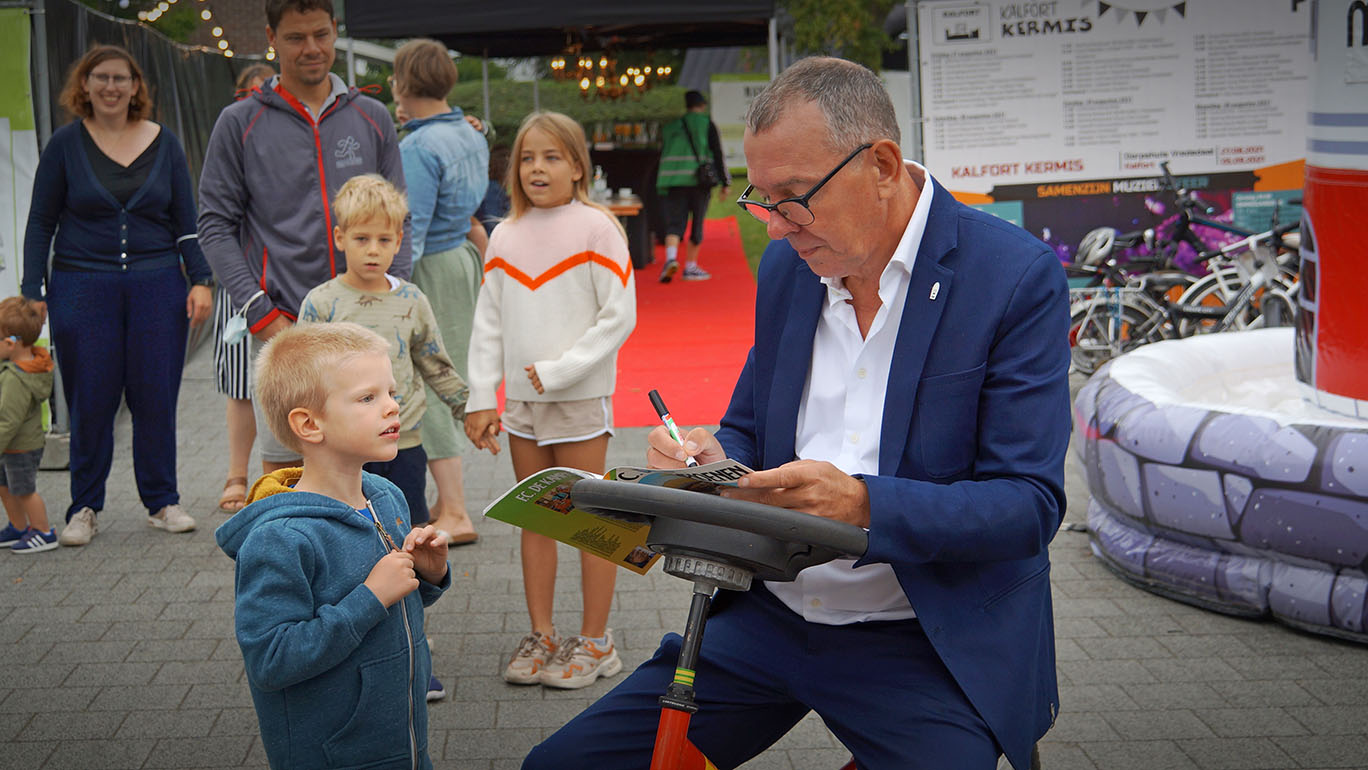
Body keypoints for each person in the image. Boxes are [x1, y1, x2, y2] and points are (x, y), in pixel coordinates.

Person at [524, 57, 1070, 770]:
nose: (776, 229)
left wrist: (863, 505)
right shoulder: (792, 266)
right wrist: (714, 460)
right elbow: (752, 426)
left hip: (920, 636)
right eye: (762, 198)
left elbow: (1028, 505)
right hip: (769, 613)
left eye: (793, 198)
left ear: (881, 165)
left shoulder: (1011, 276)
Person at [214, 322, 450, 769]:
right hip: (333, 756)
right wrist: (370, 597)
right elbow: (271, 659)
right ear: (309, 424)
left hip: (406, 741)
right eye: (367, 398)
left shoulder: (386, 496)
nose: (392, 406)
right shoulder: (280, 539)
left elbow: (400, 602)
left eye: (390, 392)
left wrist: (429, 573)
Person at [198, 0, 410, 476]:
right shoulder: (239, 122)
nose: (311, 48)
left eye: (320, 34)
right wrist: (261, 314)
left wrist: (390, 298)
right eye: (295, 38)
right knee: (289, 474)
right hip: (284, 327)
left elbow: (401, 218)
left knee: (372, 471)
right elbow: (214, 225)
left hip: (362, 330)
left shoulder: (372, 117)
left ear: (335, 29)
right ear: (271, 38)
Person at [465, 112, 636, 690]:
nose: (537, 168)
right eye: (527, 158)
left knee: (589, 521)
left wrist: (562, 371)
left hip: (580, 399)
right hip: (521, 406)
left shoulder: (598, 228)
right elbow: (488, 323)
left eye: (552, 157)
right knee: (536, 518)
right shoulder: (504, 234)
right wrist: (481, 397)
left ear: (579, 166)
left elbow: (619, 316)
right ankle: (542, 635)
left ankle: (596, 641)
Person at [23, 44, 214, 547]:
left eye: (121, 78)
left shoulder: (165, 143)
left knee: (155, 396)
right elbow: (41, 221)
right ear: (84, 85)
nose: (111, 87)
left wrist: (201, 279)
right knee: (91, 398)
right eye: (101, 77)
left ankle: (163, 502)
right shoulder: (65, 145)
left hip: (157, 288)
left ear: (136, 87)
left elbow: (185, 221)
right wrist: (31, 288)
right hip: (82, 287)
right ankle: (84, 507)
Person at [299, 174, 468, 529]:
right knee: (346, 531)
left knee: (407, 530)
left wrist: (470, 410)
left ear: (399, 241)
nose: (373, 249)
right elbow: (302, 376)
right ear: (340, 238)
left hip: (402, 441)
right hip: (342, 447)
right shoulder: (321, 303)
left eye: (384, 239)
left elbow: (435, 363)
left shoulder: (412, 300)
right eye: (362, 238)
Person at [391, 38, 489, 546]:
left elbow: (413, 228)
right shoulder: (470, 131)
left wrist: (394, 288)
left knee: (430, 382)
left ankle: (454, 509)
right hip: (461, 260)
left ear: (404, 83)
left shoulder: (418, 148)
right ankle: (447, 501)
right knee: (450, 372)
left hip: (428, 267)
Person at [212, 62, 276, 515]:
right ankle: (237, 473)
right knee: (240, 384)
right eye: (249, 93)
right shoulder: (230, 135)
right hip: (239, 283)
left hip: (285, 283)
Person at [654, 89, 730, 283]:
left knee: (674, 223)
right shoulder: (706, 124)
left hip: (674, 181)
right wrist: (724, 182)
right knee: (697, 223)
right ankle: (690, 267)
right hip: (699, 182)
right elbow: (717, 153)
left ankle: (670, 260)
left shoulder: (672, 126)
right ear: (702, 105)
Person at [0, 297, 57, 553]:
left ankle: (43, 532)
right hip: (11, 444)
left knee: (24, 490)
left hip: (20, 446)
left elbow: (8, 420)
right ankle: (18, 527)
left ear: (10, 343)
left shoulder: (16, 379)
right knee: (5, 486)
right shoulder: (14, 367)